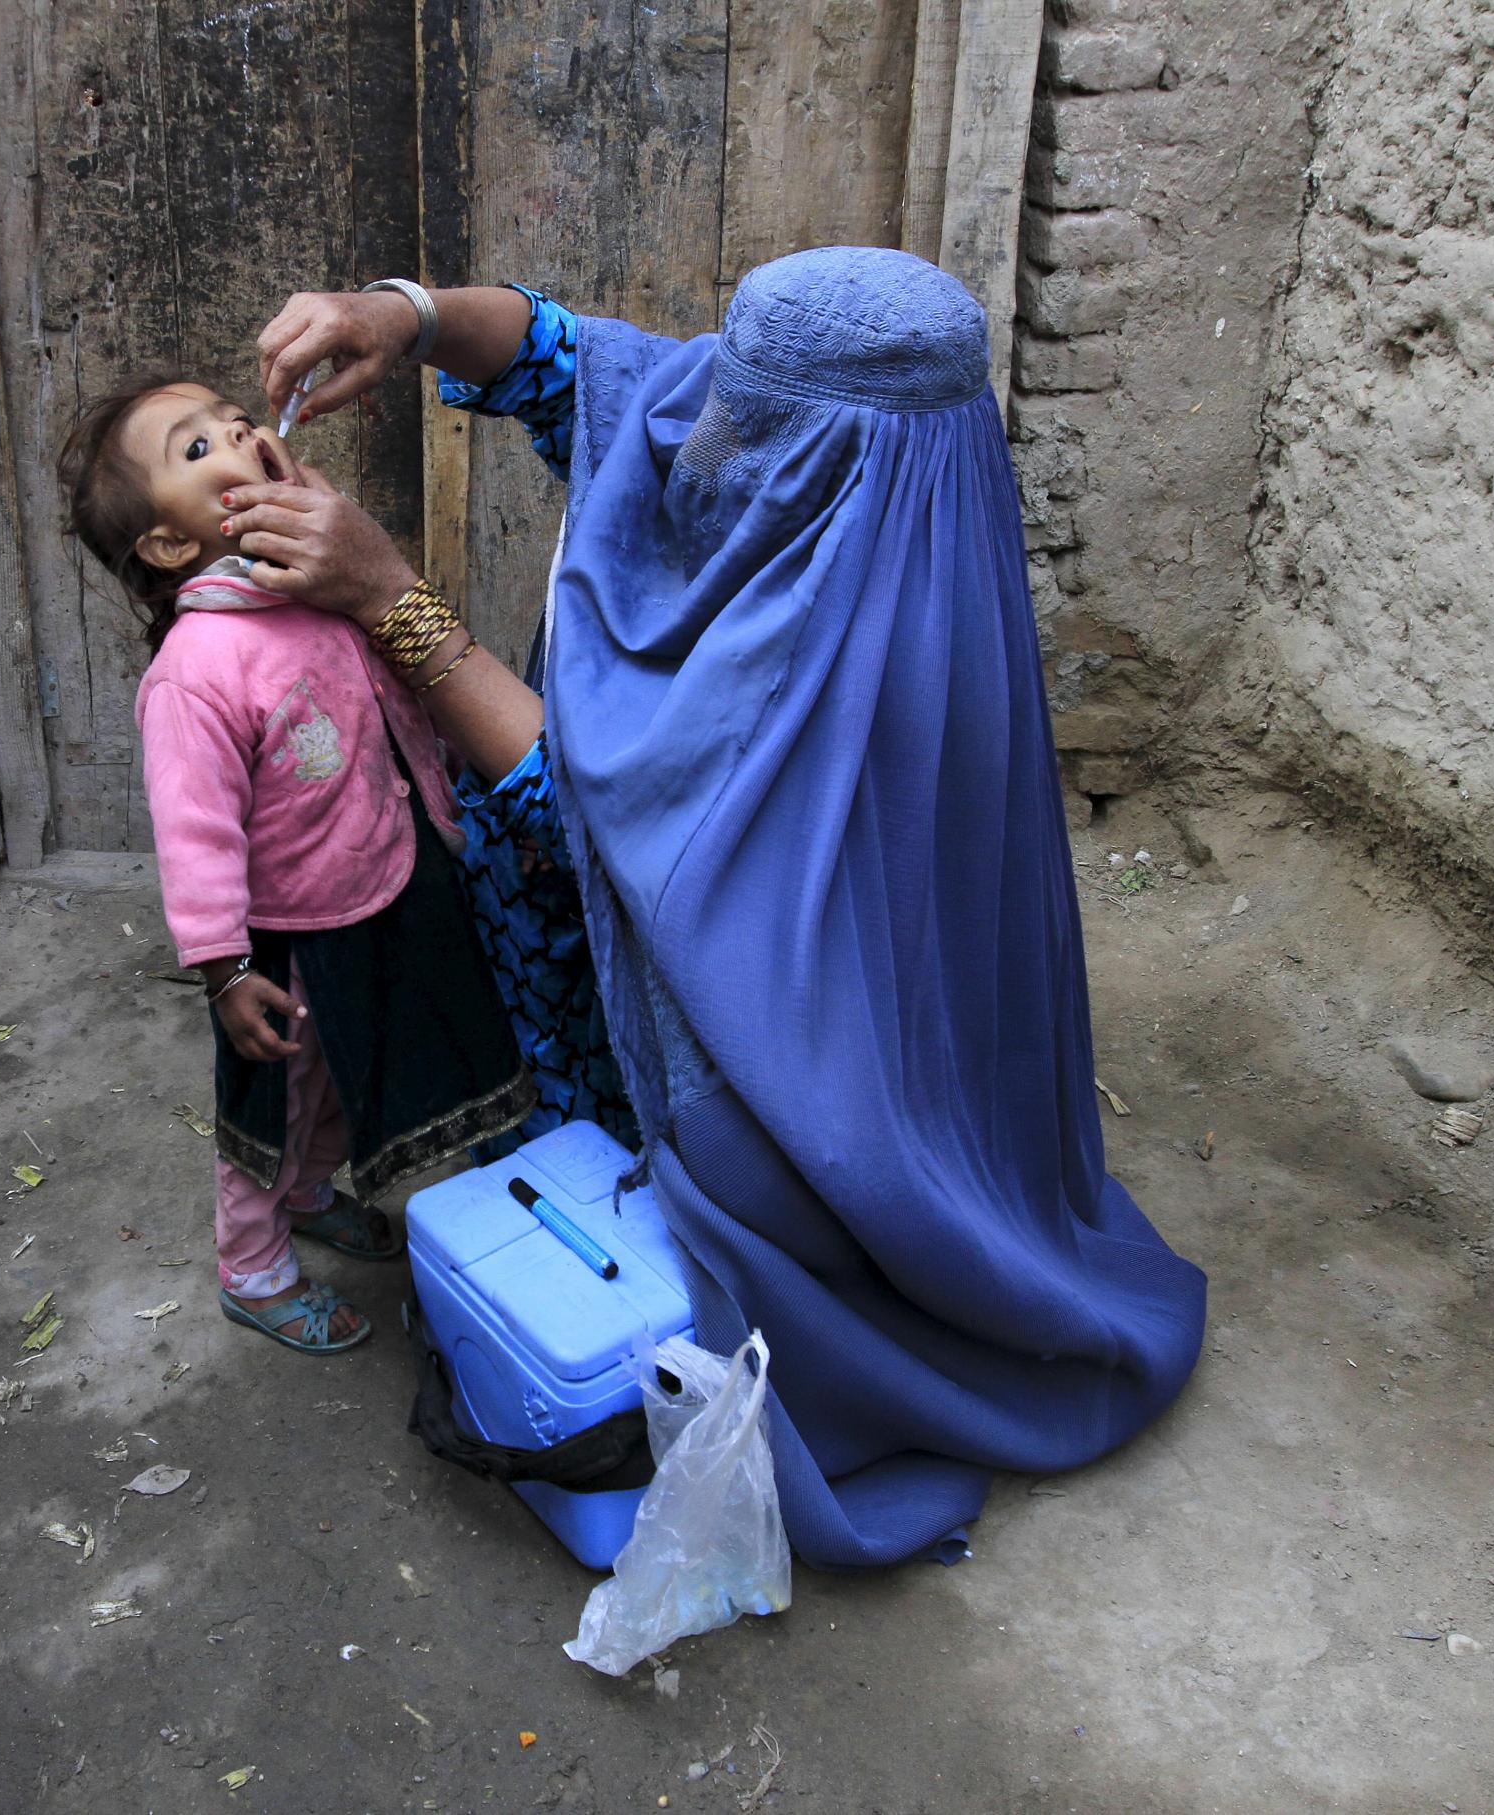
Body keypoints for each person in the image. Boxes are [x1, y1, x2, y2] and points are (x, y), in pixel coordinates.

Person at [228, 253, 1209, 1566]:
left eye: (748, 411)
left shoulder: (855, 652)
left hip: (805, 1070)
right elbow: (591, 364)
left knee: (740, 1172)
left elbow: (584, 807)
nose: (706, 429)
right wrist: (402, 319)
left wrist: (384, 597)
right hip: (730, 966)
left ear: (819, 458)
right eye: (722, 383)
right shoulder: (813, 466)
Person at [56, 377, 533, 1355]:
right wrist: (223, 968)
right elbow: (195, 837)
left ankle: (312, 1196)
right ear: (169, 543)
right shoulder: (197, 668)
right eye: (196, 449)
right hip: (283, 940)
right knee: (275, 1105)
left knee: (337, 1081)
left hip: (374, 890)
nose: (236, 430)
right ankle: (252, 1267)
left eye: (234, 419)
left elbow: (396, 709)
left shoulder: (318, 592)